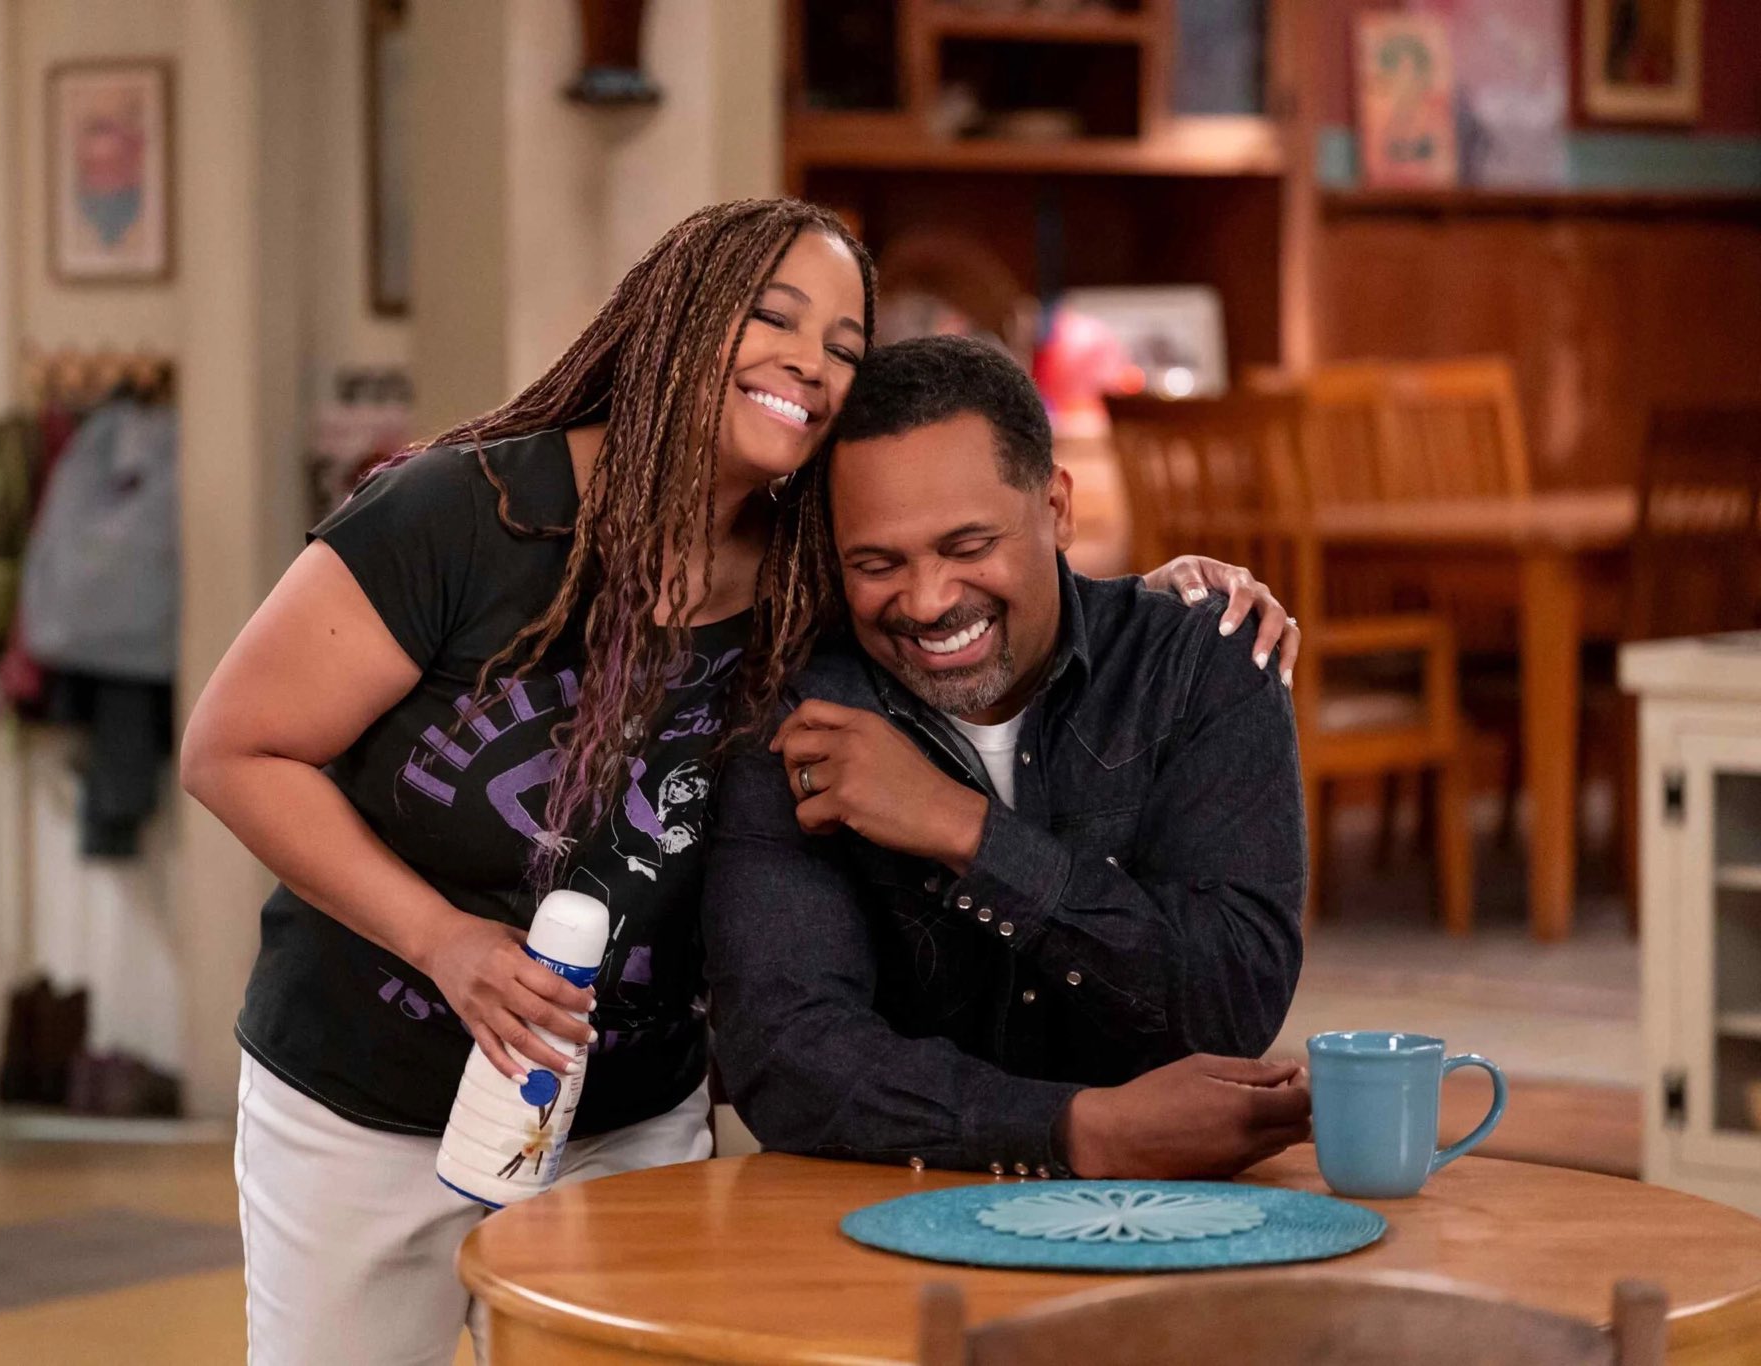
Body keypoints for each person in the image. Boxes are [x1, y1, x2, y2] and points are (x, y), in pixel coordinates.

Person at [180, 201, 1301, 1366]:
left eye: (842, 346)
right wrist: (444, 941)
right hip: (368, 1098)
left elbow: (964, 567)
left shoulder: (805, 571)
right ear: (676, 315)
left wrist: (1142, 605)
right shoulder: (465, 513)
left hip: (628, 1113)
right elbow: (232, 749)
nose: (808, 361)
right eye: (772, 316)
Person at [704, 335, 1311, 1182]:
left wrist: (964, 830)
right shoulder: (796, 715)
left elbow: (1230, 1005)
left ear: (1056, 507)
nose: (928, 602)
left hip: (1176, 1217)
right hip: (879, 1216)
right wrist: (1072, 1131)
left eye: (967, 547)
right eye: (877, 564)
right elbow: (786, 1058)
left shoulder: (1197, 667)